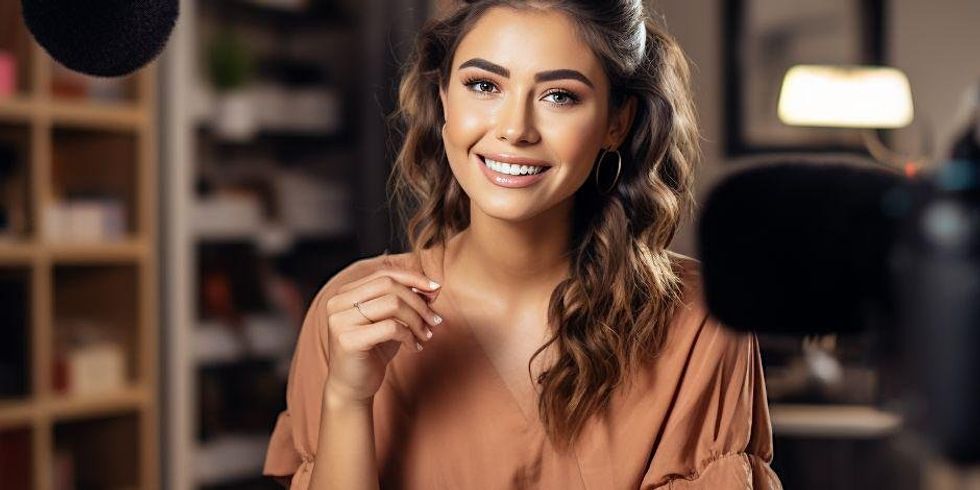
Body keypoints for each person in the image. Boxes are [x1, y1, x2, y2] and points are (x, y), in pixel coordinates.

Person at [263, 1, 782, 488]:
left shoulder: (702, 320)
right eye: (484, 85)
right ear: (444, 98)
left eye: (559, 96)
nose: (514, 129)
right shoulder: (354, 308)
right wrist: (347, 398)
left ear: (615, 123)